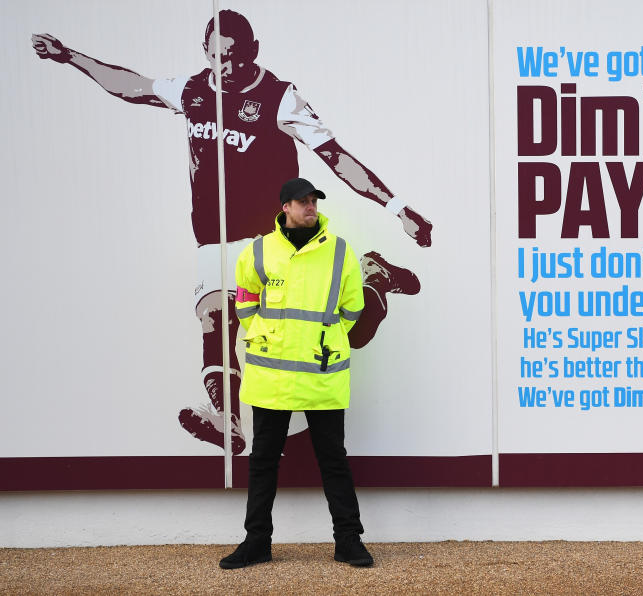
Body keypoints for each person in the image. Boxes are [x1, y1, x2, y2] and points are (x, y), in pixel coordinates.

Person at [31, 10, 429, 454]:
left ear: (254, 52)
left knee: (346, 336)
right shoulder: (193, 90)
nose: (228, 66)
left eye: (236, 57)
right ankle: (228, 419)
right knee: (214, 318)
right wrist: (70, 57)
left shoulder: (281, 99)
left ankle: (373, 275)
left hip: (272, 241)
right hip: (215, 241)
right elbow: (132, 86)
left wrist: (398, 208)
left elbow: (335, 157)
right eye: (219, 56)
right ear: (206, 54)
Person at [220, 177, 373, 569]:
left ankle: (349, 541)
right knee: (263, 460)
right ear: (285, 207)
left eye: (314, 201)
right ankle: (257, 542)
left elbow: (352, 309)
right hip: (271, 375)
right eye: (303, 202)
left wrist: (325, 337)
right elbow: (245, 300)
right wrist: (265, 336)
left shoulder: (339, 251)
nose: (311, 207)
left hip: (322, 373)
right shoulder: (257, 251)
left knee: (333, 459)